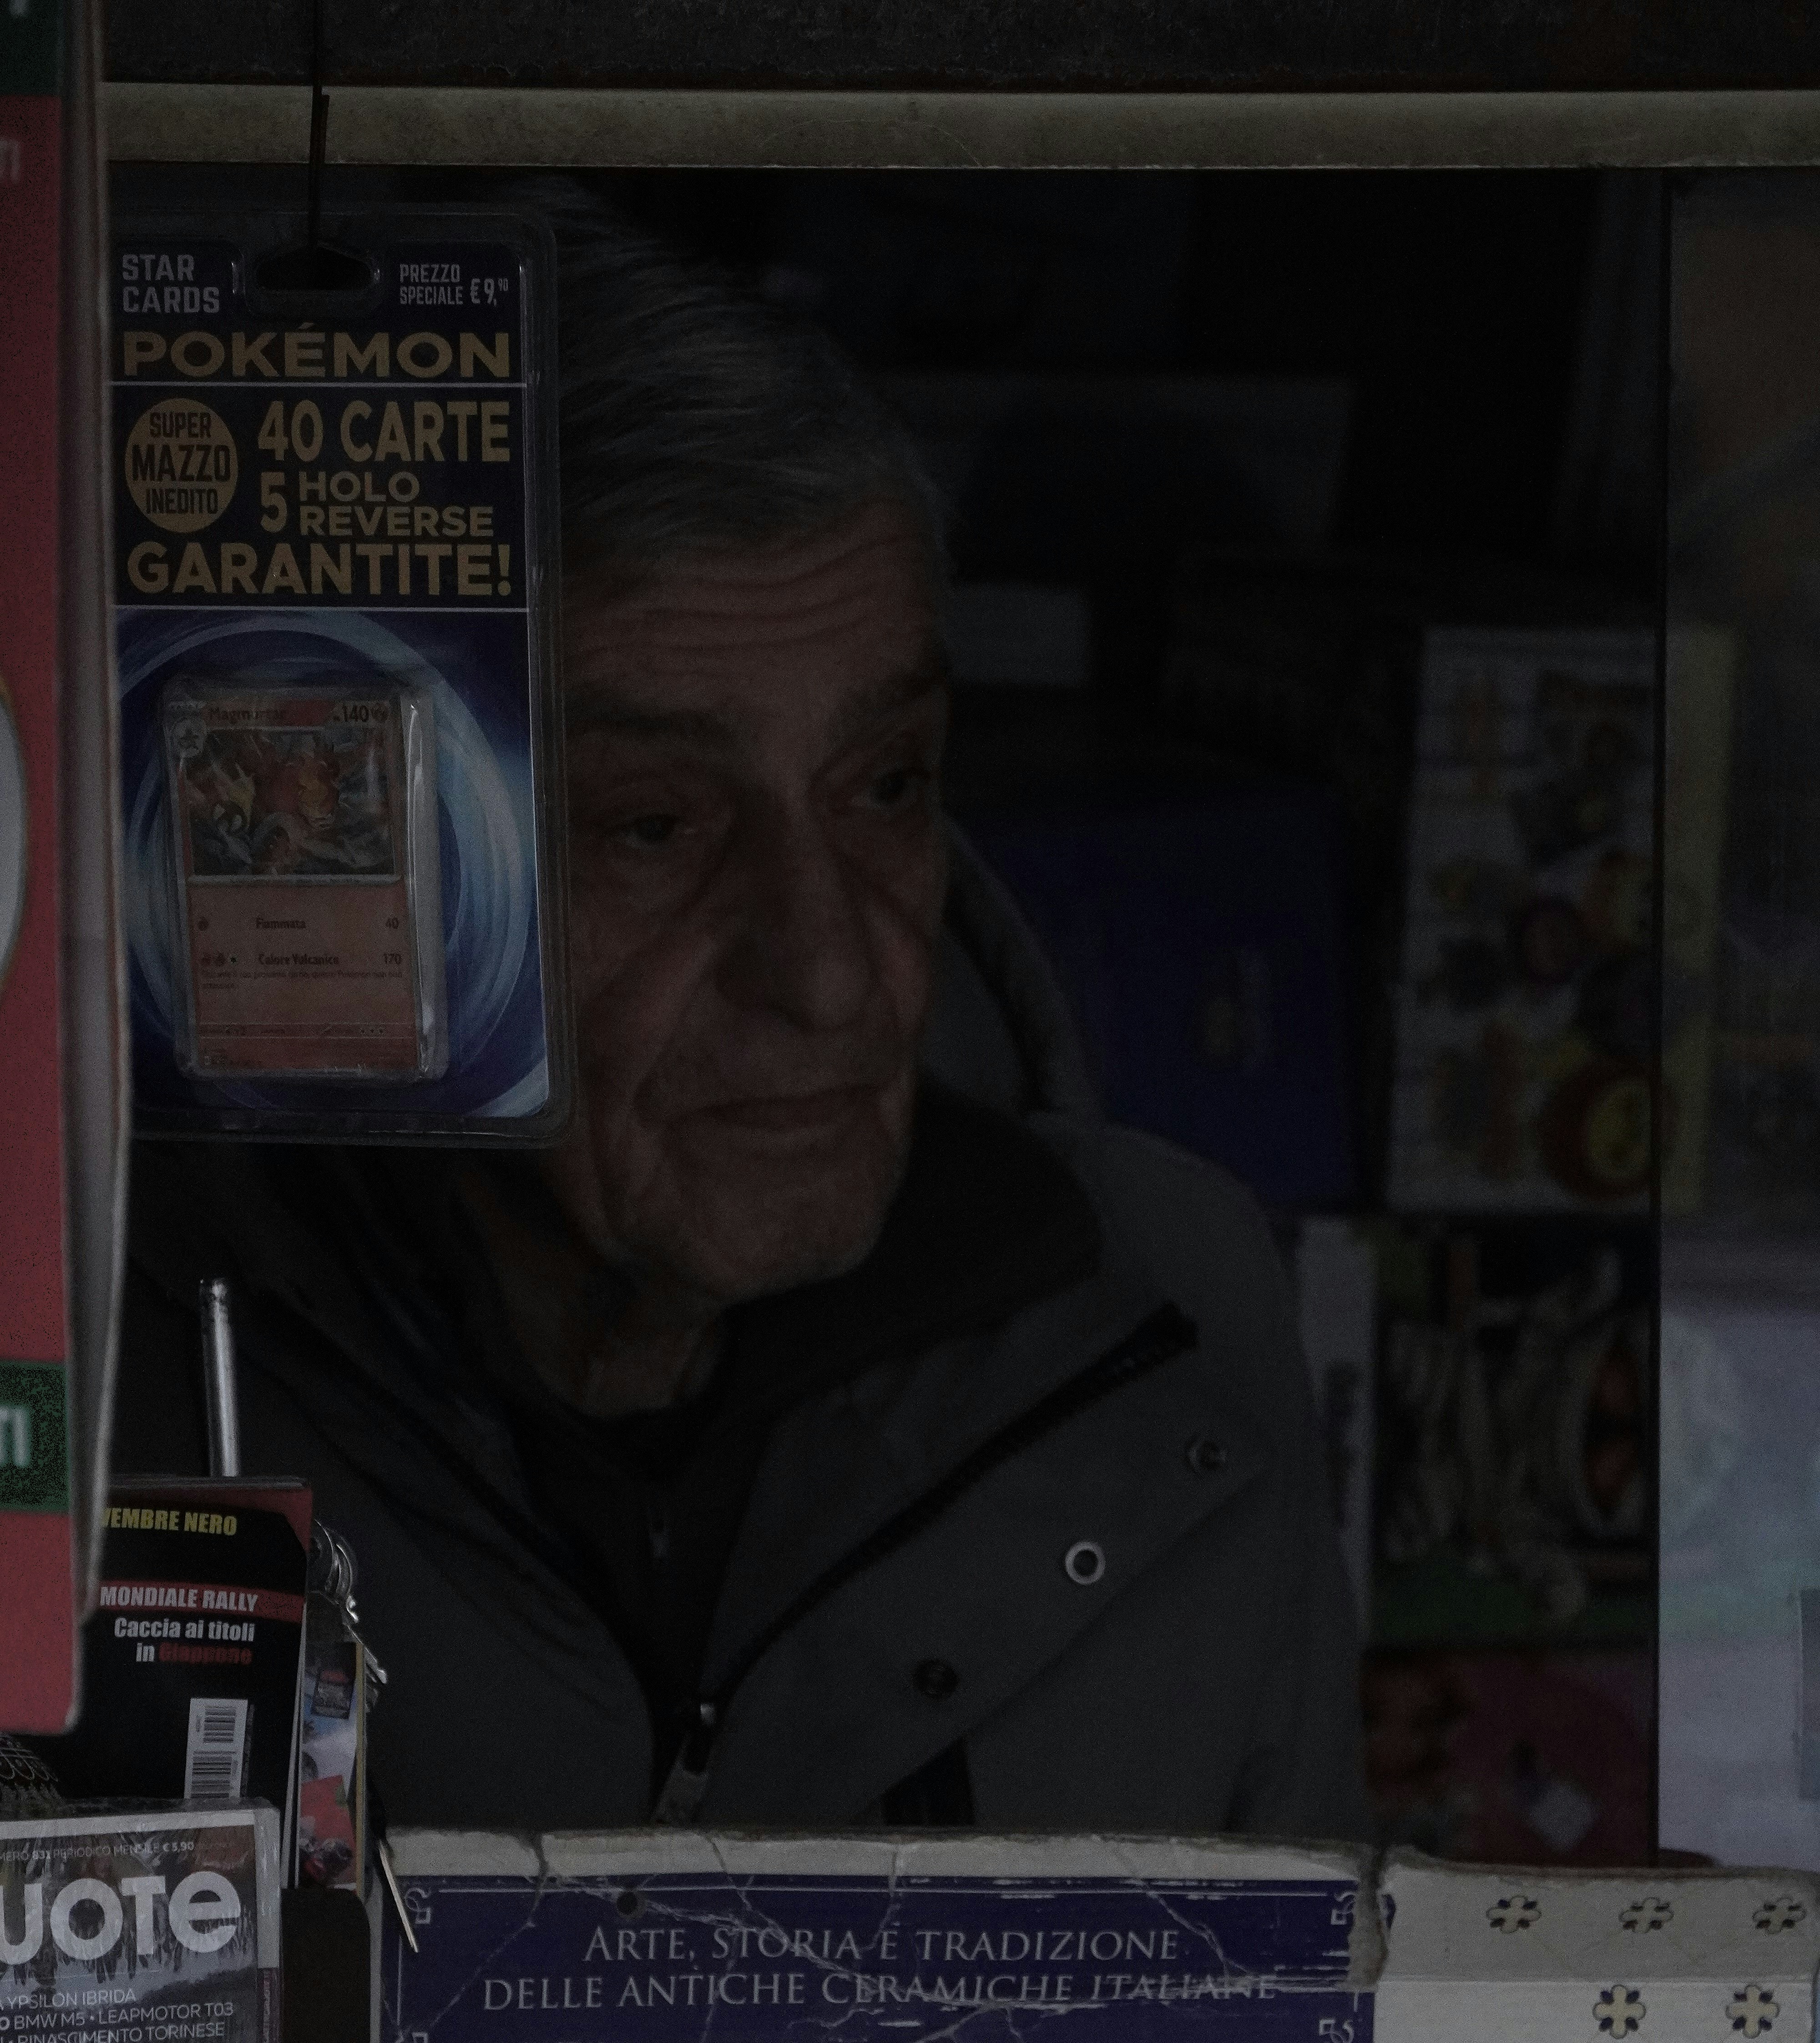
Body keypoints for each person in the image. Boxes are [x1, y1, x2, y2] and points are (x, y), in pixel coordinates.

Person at [115, 212, 1364, 1840]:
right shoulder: (108, 1372)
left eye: (886, 786)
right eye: (653, 826)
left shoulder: (1168, 1307)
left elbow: (1323, 1982)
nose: (832, 975)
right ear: (373, 863)